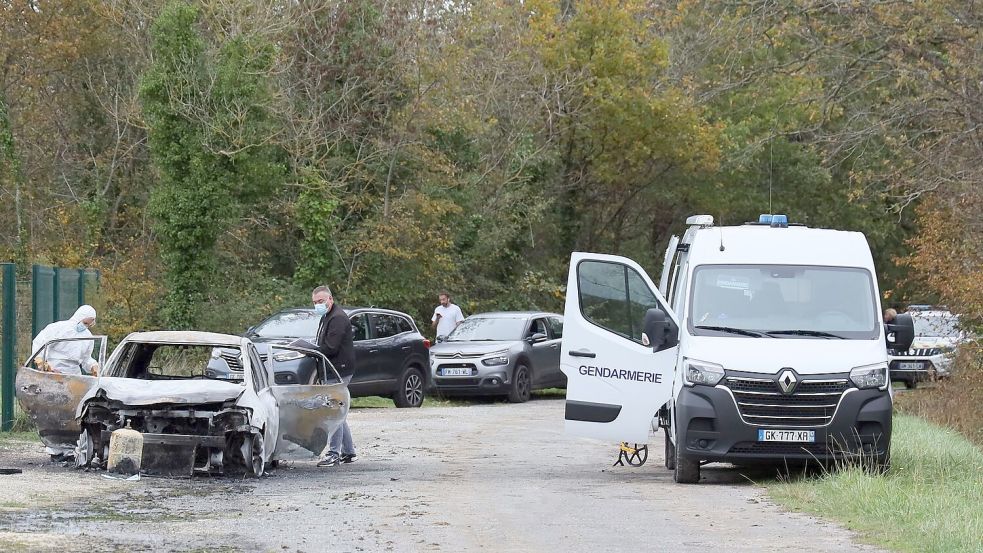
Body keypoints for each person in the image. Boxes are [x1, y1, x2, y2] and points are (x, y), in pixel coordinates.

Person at [311, 285, 357, 467]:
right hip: (334, 369)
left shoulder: (337, 318)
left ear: (330, 299)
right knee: (339, 412)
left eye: (321, 301)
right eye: (315, 302)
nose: (318, 305)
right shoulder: (327, 316)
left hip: (339, 370)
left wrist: (312, 351)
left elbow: (331, 347)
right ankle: (348, 451)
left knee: (334, 411)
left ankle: (334, 453)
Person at [30, 305, 100, 376]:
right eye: (85, 323)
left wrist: (93, 366)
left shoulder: (87, 336)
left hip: (74, 375)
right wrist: (40, 359)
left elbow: (86, 358)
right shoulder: (59, 327)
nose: (86, 326)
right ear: (79, 317)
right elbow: (41, 342)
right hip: (53, 370)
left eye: (89, 325)